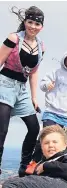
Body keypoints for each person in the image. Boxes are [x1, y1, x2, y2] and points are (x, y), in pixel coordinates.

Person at [0, 6, 45, 176]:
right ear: (25, 22)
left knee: (34, 128)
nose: (33, 26)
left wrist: (34, 97)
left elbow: (33, 72)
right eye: (30, 22)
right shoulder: (14, 38)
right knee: (2, 130)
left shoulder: (41, 46)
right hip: (4, 84)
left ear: (42, 27)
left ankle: (24, 167)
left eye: (37, 24)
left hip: (22, 89)